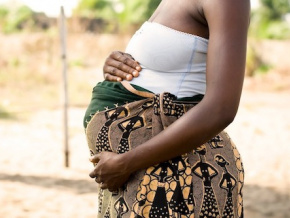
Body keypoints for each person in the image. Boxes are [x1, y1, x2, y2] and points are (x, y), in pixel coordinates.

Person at [84, 0, 250, 217]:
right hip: (142, 171)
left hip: (178, 173)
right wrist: (116, 66)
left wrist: (126, 163)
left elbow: (222, 108)